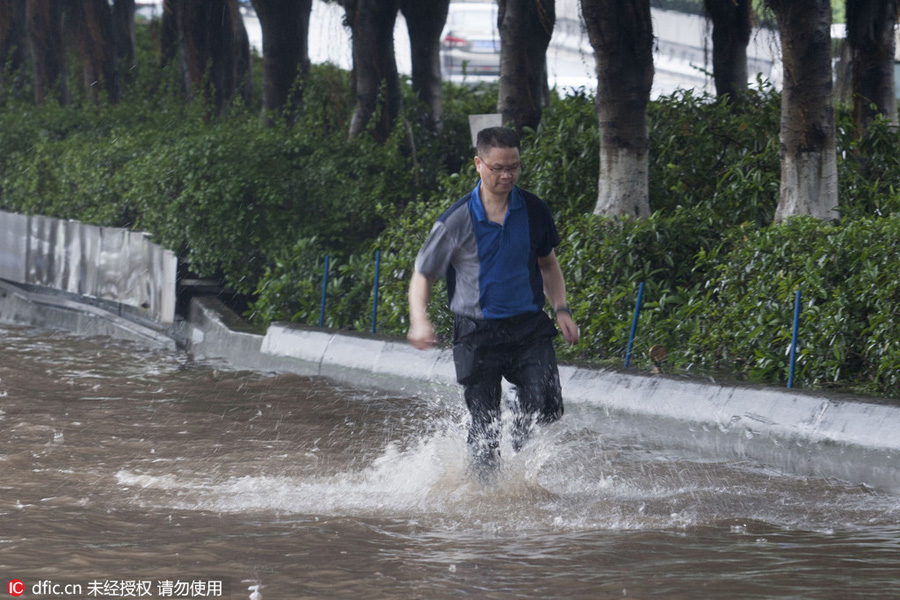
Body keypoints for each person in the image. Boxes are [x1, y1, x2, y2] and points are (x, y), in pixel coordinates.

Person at [407, 126, 579, 476]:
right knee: (484, 426)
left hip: (528, 329)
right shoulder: (457, 220)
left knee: (547, 406)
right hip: (477, 333)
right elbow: (422, 274)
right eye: (498, 167)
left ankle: (520, 466)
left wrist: (561, 308)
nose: (506, 175)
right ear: (478, 164)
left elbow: (548, 263)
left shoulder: (533, 210)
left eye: (513, 166)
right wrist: (419, 320)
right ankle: (484, 496)